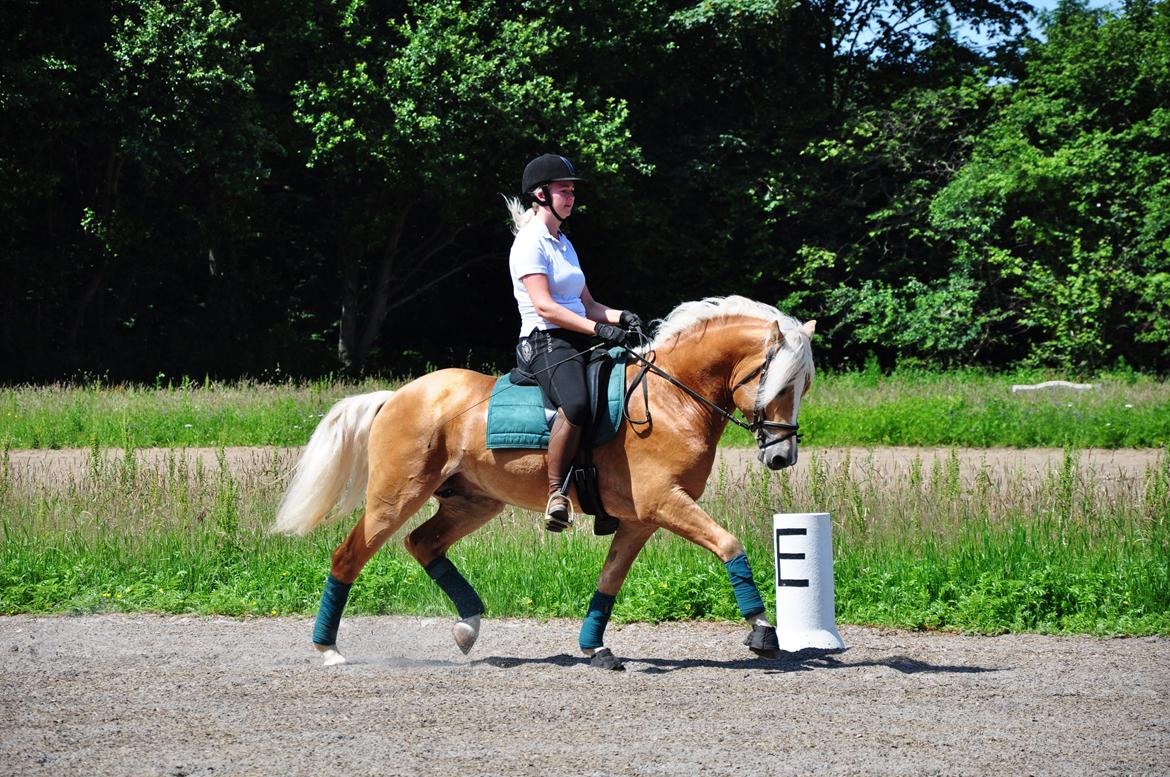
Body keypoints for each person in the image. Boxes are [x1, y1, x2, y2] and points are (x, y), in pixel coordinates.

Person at [505, 153, 641, 531]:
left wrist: (620, 317)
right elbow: (546, 308)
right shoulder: (530, 243)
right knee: (578, 404)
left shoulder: (563, 243)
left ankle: (602, 490)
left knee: (620, 388)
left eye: (571, 191)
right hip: (544, 341)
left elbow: (589, 305)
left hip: (577, 334)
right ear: (540, 195)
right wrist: (597, 330)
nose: (571, 197)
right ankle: (556, 492)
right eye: (563, 190)